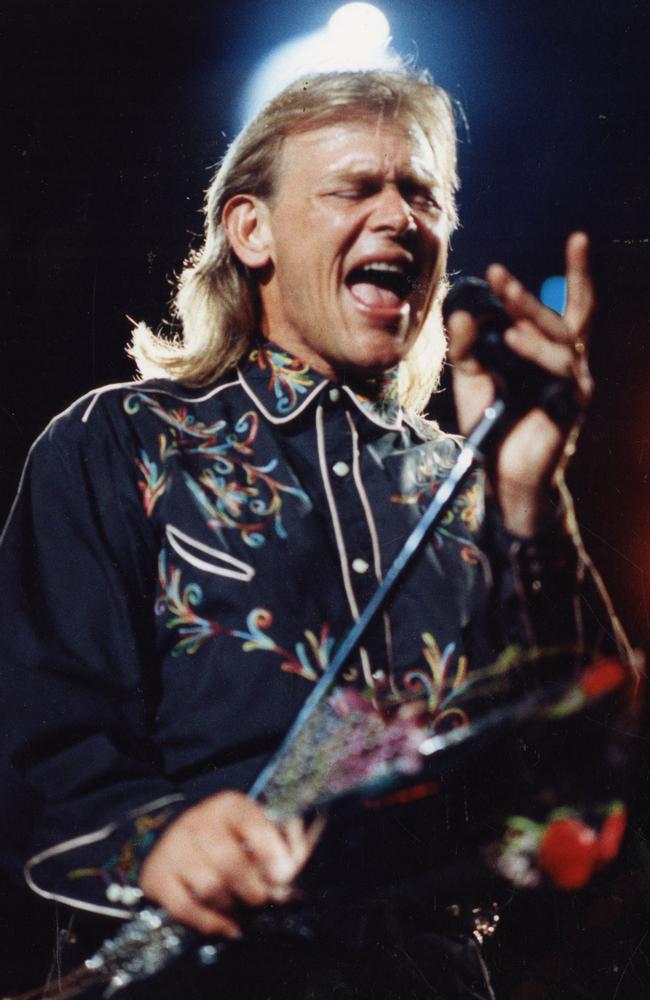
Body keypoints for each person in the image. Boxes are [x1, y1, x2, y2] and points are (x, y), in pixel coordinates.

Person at [0, 68, 636, 999]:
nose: (401, 218)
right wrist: (157, 837)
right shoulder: (120, 442)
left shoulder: (478, 491)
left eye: (422, 193)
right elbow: (34, 721)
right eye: (357, 188)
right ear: (250, 230)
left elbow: (598, 767)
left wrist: (532, 500)